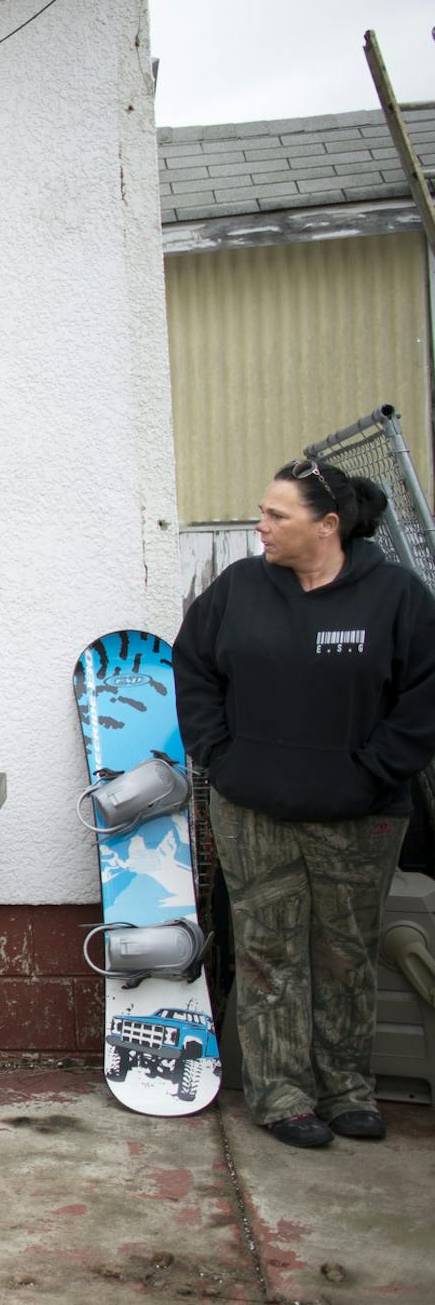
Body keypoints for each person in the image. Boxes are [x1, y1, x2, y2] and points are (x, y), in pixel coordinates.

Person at [175, 456, 435, 1147]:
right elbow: (193, 667)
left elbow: (423, 697)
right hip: (255, 810)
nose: (260, 527)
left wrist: (375, 771)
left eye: (276, 516)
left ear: (328, 525)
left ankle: (348, 1089)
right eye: (263, 513)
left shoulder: (396, 597)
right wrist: (220, 756)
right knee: (267, 954)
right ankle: (282, 1094)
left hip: (362, 816)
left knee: (346, 954)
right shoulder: (238, 590)